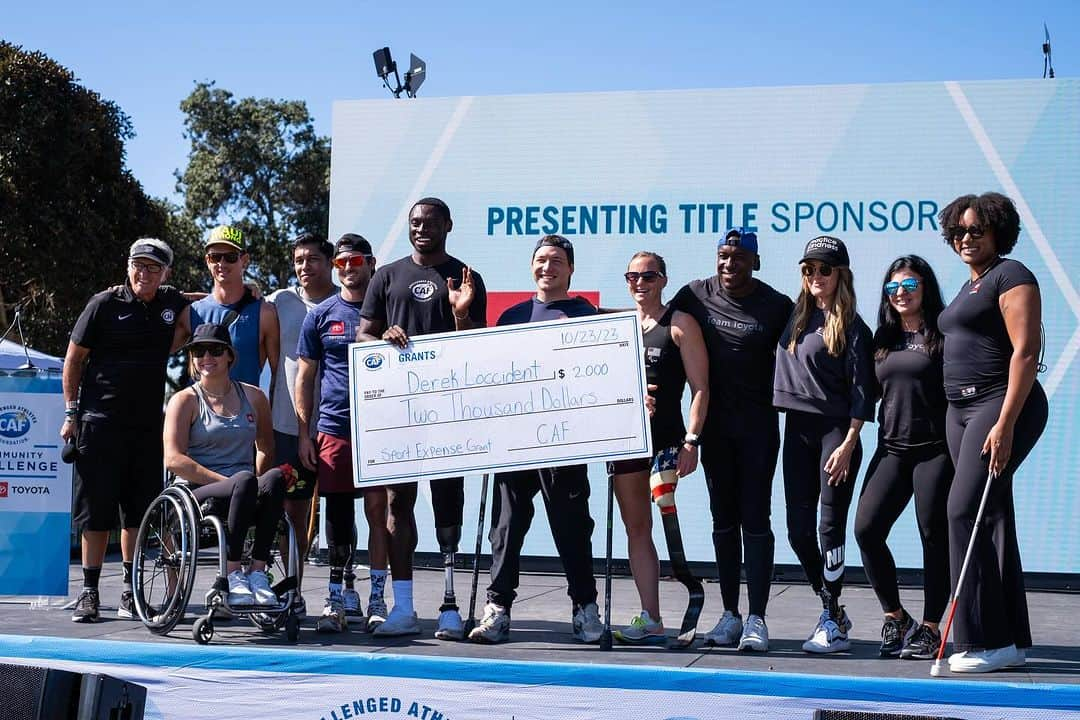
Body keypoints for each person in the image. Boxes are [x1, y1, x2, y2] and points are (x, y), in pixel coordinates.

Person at [356, 197, 486, 639]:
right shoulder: (386, 276)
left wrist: (462, 312)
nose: (421, 228)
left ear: (448, 225)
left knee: (448, 505)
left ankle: (450, 605)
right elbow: (364, 332)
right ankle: (404, 605)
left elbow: (475, 346)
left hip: (449, 413)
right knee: (398, 504)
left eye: (430, 222)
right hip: (399, 413)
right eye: (414, 222)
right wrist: (382, 337)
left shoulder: (467, 277)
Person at [467, 234, 603, 644]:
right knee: (506, 528)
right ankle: (497, 610)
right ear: (532, 267)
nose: (548, 266)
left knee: (572, 526)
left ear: (571, 269)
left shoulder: (585, 315)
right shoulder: (512, 316)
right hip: (515, 440)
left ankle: (585, 608)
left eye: (557, 260)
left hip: (564, 441)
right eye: (541, 259)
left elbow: (597, 372)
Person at [936, 192, 1047, 673]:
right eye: (957, 231)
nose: (965, 239)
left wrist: (1004, 422)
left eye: (975, 231)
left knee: (962, 511)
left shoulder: (1012, 275)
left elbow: (1024, 352)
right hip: (960, 410)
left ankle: (983, 641)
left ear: (997, 232)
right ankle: (1013, 640)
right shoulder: (969, 285)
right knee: (994, 514)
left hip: (999, 404)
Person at [670, 227, 793, 651]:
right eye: (723, 255)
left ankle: (757, 618)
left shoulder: (777, 305)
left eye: (738, 257)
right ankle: (729, 615)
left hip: (759, 430)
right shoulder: (694, 294)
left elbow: (811, 346)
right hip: (714, 432)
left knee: (756, 520)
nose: (728, 264)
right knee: (723, 521)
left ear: (754, 262)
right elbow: (657, 330)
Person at [62, 239, 192, 623]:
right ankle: (89, 592)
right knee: (96, 513)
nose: (143, 273)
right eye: (138, 265)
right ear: (128, 266)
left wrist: (248, 291)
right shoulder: (103, 304)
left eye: (153, 267)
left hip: (146, 427)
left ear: (166, 273)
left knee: (137, 514)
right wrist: (72, 413)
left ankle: (129, 591)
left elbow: (197, 303)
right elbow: (73, 360)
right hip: (98, 424)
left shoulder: (171, 302)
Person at [773, 235, 875, 654]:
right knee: (798, 532)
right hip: (797, 430)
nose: (816, 276)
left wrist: (850, 442)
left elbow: (863, 391)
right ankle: (831, 605)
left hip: (837, 434)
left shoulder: (853, 326)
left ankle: (831, 620)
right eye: (809, 269)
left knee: (828, 527)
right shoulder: (794, 316)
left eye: (825, 269)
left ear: (841, 275)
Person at [854, 255, 952, 659]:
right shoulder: (883, 337)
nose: (900, 295)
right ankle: (896, 617)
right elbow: (866, 393)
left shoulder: (944, 334)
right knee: (866, 530)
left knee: (934, 536)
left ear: (925, 288)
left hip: (936, 450)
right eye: (893, 288)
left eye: (909, 287)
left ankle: (931, 628)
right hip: (892, 447)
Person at [609, 251, 708, 644]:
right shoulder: (617, 325)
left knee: (669, 527)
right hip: (627, 441)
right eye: (632, 276)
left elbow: (701, 388)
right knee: (637, 528)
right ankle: (651, 616)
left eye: (648, 276)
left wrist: (691, 441)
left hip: (667, 441)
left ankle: (691, 588)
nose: (639, 283)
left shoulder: (679, 324)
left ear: (663, 279)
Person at [296, 234, 389, 633]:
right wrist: (304, 433)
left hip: (382, 430)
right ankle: (335, 598)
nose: (349, 270)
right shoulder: (320, 314)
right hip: (333, 427)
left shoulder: (387, 309)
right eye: (341, 264)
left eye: (355, 262)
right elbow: (305, 378)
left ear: (370, 263)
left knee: (379, 514)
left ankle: (378, 599)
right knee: (337, 512)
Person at [164, 323, 286, 608]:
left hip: (242, 487)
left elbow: (266, 447)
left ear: (229, 356)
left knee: (276, 478)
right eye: (198, 351)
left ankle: (257, 572)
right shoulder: (184, 400)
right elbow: (174, 459)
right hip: (198, 493)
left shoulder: (254, 397)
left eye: (216, 350)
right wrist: (226, 482)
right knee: (244, 480)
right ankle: (232, 574)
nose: (207, 357)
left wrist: (252, 482)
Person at [267, 233, 338, 619]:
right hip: (287, 426)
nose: (304, 267)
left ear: (329, 262)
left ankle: (342, 593)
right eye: (298, 261)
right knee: (291, 512)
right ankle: (292, 588)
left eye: (312, 259)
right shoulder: (280, 302)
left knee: (340, 511)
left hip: (336, 426)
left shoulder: (348, 303)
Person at [187, 225, 280, 387]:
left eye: (230, 257)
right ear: (207, 261)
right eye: (215, 257)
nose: (221, 263)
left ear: (244, 260)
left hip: (246, 410)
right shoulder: (192, 312)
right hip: (198, 410)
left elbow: (278, 376)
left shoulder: (264, 313)